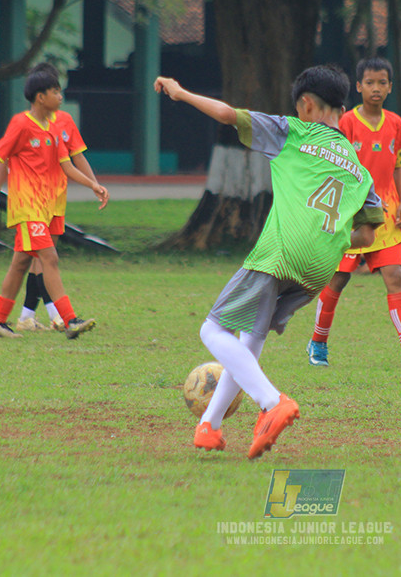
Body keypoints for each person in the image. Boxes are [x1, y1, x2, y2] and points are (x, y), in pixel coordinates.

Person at [153, 65, 384, 459]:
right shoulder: (357, 167)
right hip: (321, 265)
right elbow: (368, 234)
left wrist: (182, 93)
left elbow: (228, 115)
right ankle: (209, 425)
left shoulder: (292, 130)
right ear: (342, 110)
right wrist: (331, 236)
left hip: (284, 250)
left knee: (212, 330)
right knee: (251, 336)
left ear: (306, 105)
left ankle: (271, 401)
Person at [305, 57, 401, 366]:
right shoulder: (347, 123)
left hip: (386, 213)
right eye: (370, 82)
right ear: (358, 87)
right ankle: (318, 344)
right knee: (337, 281)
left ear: (390, 87)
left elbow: (398, 165)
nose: (376, 88)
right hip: (352, 214)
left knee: (395, 276)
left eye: (382, 82)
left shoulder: (395, 123)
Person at [0, 65, 109, 340]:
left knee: (21, 263)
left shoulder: (54, 126)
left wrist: (93, 184)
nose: (60, 96)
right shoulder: (21, 124)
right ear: (40, 97)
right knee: (50, 258)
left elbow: (68, 165)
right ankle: (69, 319)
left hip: (50, 205)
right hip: (27, 206)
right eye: (55, 91)